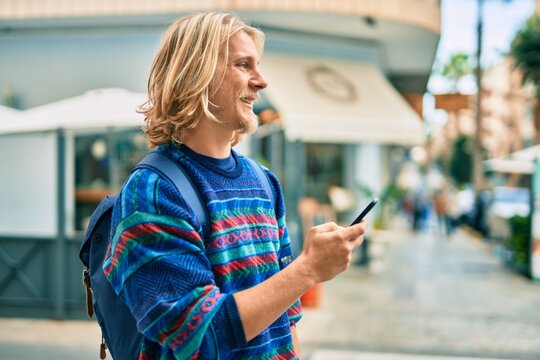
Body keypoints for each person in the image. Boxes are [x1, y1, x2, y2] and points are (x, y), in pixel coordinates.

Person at [103, 12, 367, 359]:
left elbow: (286, 319)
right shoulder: (151, 192)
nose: (261, 82)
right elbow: (199, 337)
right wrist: (308, 269)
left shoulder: (263, 182)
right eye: (243, 65)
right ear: (194, 75)